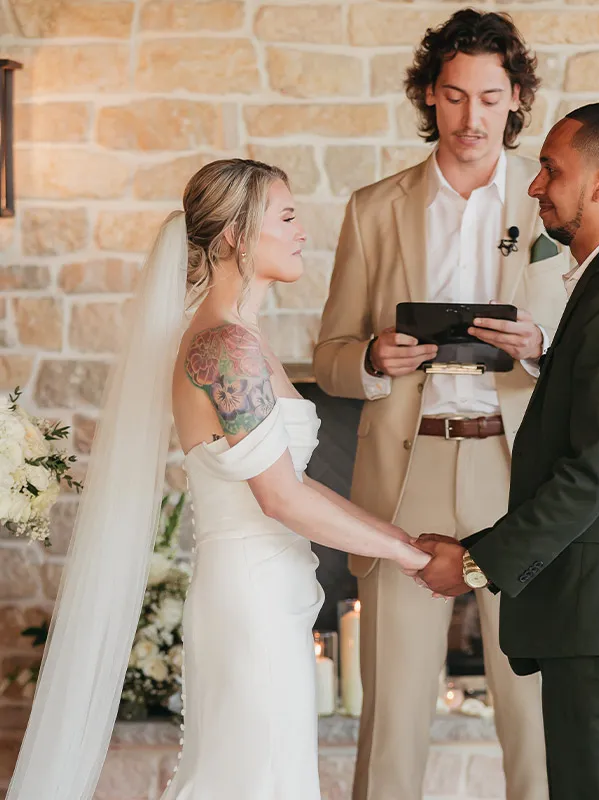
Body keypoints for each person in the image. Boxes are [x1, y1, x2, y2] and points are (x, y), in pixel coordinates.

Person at [7, 159, 430, 800]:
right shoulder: (223, 347)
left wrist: (398, 538)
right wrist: (403, 551)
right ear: (234, 236)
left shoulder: (243, 339)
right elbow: (282, 495)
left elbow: (290, 485)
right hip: (249, 603)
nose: (301, 232)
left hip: (269, 591)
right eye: (286, 217)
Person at [313, 10, 568, 800]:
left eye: (490, 98)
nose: (471, 119)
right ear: (431, 96)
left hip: (515, 471)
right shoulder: (373, 208)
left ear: (516, 96)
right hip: (403, 472)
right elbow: (329, 357)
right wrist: (371, 360)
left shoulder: (553, 205)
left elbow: (592, 358)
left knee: (531, 712)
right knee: (390, 716)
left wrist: (539, 349)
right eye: (454, 97)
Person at [415, 103, 599, 800]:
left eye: (550, 169)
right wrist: (548, 354)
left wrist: (477, 563)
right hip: (596, 623)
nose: (534, 187)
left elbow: (591, 474)